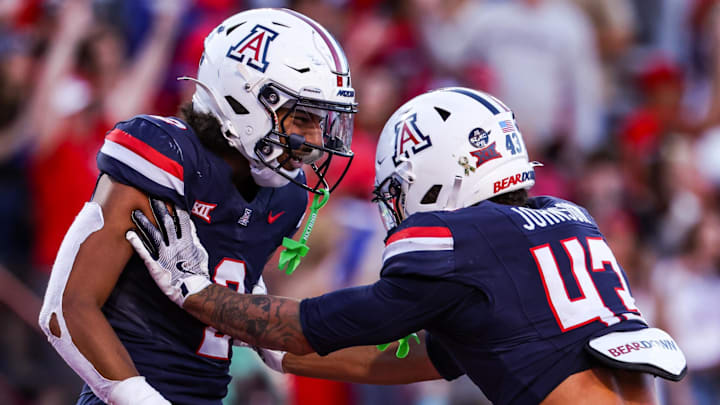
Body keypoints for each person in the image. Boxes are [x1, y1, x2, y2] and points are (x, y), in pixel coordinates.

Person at [129, 87, 686, 404]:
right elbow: (420, 361)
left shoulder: (459, 240)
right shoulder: (571, 219)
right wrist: (271, 346)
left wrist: (197, 293)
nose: (397, 206)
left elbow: (312, 325)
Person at [37, 8, 357, 405]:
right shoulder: (165, 157)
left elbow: (253, 312)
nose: (313, 140)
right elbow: (65, 310)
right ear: (247, 100)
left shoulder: (285, 197)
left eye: (320, 121)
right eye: (303, 119)